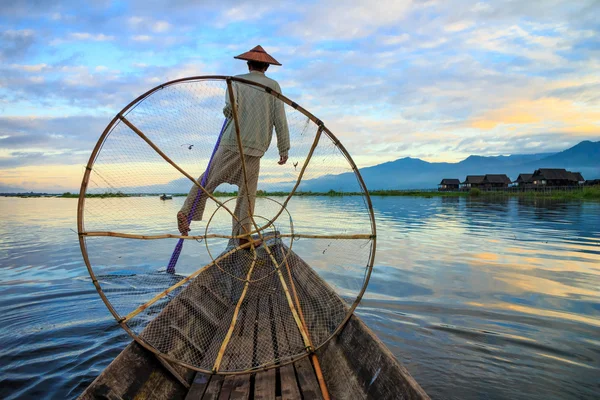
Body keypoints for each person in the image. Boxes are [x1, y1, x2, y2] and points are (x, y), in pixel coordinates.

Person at [177, 45, 290, 248]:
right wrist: (284, 148)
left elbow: (230, 111)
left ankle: (187, 212)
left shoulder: (236, 81)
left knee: (208, 180)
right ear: (266, 67)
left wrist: (232, 109)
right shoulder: (273, 85)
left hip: (232, 141)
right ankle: (242, 235)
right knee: (247, 194)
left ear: (249, 64)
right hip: (257, 146)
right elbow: (279, 119)